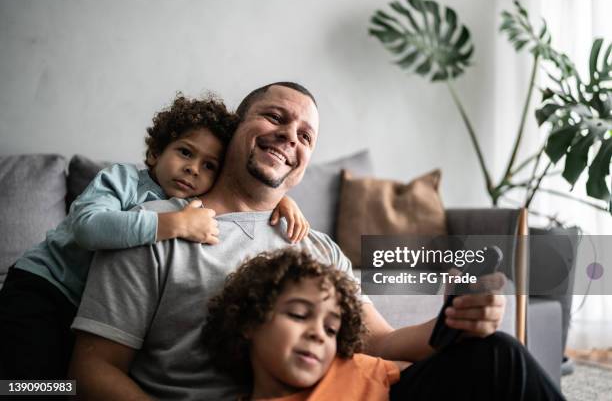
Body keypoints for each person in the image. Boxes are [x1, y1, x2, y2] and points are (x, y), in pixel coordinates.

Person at [70, 82, 564, 400]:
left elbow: (383, 341)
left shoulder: (318, 247)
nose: (290, 136)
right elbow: (92, 370)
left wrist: (453, 323)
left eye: (306, 136)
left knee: (497, 354)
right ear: (234, 130)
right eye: (275, 117)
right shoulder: (154, 226)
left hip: (342, 394)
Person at [0, 93, 309, 380]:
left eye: (209, 165)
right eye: (185, 153)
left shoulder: (191, 203)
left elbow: (246, 192)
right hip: (43, 287)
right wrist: (173, 225)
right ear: (155, 152)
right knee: (25, 385)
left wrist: (281, 199)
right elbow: (88, 228)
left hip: (84, 308)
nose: (192, 170)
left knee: (59, 382)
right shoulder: (123, 179)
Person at [203, 248, 404, 401]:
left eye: (331, 330)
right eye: (298, 315)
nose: (318, 334)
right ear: (249, 321)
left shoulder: (356, 369)